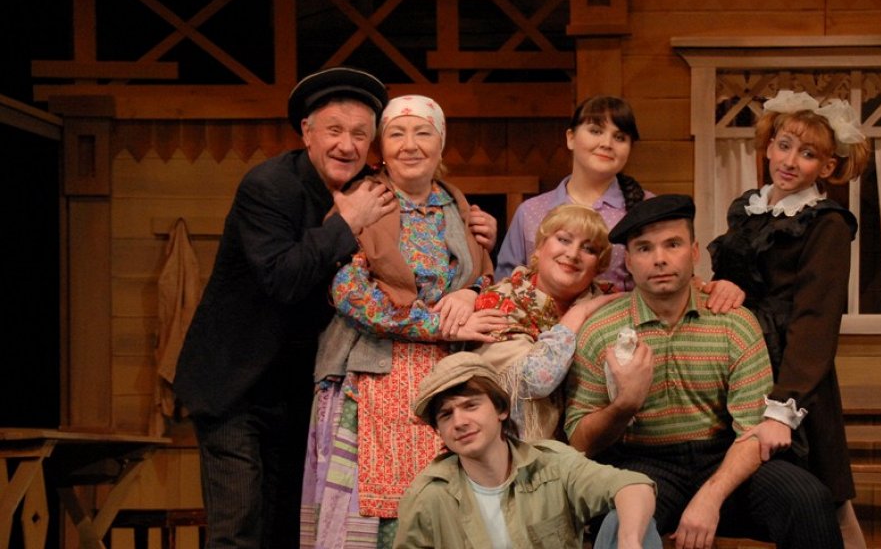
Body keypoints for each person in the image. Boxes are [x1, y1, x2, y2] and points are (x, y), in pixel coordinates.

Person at [173, 67, 398, 549]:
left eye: (360, 134)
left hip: (302, 391)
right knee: (239, 530)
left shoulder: (369, 190)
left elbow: (424, 223)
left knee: (288, 531)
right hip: (235, 385)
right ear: (307, 133)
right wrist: (347, 223)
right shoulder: (269, 186)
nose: (347, 145)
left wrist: (474, 230)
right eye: (334, 130)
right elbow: (283, 278)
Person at [565, 194, 843, 549]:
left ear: (695, 252)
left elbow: (752, 432)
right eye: (645, 248)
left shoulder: (734, 322)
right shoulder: (600, 330)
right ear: (629, 262)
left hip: (725, 459)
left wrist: (710, 497)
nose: (660, 259)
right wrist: (625, 404)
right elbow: (580, 442)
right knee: (620, 520)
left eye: (673, 244)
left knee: (807, 498)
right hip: (642, 463)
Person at [301, 94, 504, 548]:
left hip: (446, 383)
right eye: (396, 134)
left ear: (440, 143)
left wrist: (471, 293)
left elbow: (486, 276)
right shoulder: (362, 202)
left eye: (422, 133)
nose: (410, 145)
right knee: (371, 523)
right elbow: (350, 292)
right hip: (369, 377)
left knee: (444, 516)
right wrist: (438, 326)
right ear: (382, 147)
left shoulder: (458, 207)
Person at [707, 90, 872, 547]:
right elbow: (733, 281)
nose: (790, 161)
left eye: (808, 154)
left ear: (827, 167)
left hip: (790, 375)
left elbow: (816, 322)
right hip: (739, 366)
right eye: (784, 145)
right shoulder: (750, 211)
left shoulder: (827, 224)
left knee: (820, 504)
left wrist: (784, 406)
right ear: (768, 147)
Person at [396, 351, 662, 549]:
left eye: (471, 406)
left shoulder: (552, 464)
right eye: (446, 415)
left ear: (501, 409)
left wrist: (629, 541)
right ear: (439, 430)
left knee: (628, 522)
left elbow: (635, 486)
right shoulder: (428, 496)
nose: (459, 422)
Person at [473, 204, 621, 441]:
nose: (573, 254)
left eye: (589, 248)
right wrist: (577, 316)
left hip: (598, 444)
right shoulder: (499, 300)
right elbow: (534, 381)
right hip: (515, 447)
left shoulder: (610, 304)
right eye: (564, 240)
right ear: (540, 247)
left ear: (599, 266)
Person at [495, 95, 650, 290]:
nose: (607, 143)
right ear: (570, 138)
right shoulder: (530, 211)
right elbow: (504, 285)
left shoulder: (647, 208)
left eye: (619, 137)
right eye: (596, 131)